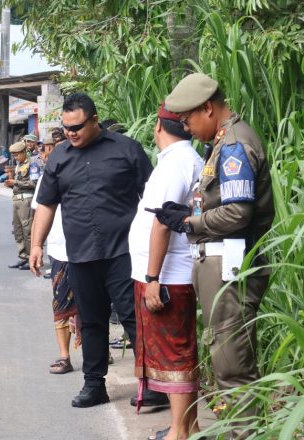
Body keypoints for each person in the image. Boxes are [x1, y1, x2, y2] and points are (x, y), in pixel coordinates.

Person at [160, 73, 274, 434]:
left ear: (208, 108)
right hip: (219, 262)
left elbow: (238, 213)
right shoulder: (223, 143)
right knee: (225, 358)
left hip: (231, 264)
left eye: (189, 119)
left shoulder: (235, 145)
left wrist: (189, 223)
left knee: (232, 366)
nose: (187, 127)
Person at [29, 92, 155, 408]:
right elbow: (46, 204)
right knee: (91, 320)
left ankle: (153, 384)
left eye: (77, 127)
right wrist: (36, 245)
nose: (71, 134)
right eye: (66, 128)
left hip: (123, 253)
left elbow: (154, 200)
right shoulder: (58, 158)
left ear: (95, 120)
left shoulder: (127, 151)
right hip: (80, 255)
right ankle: (94, 385)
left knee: (133, 317)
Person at [128, 104, 204, 440]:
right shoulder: (182, 160)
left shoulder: (176, 163)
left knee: (175, 354)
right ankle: (189, 426)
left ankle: (178, 432)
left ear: (158, 126)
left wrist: (153, 278)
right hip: (171, 270)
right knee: (179, 351)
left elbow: (163, 220)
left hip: (169, 274)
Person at [30, 136, 79, 374]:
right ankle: (64, 356)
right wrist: (35, 246)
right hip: (60, 250)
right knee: (60, 303)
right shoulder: (46, 179)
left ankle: (99, 352)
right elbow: (39, 213)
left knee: (95, 304)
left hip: (89, 251)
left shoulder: (85, 172)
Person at [6, 141, 37, 270]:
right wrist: (11, 184)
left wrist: (16, 182)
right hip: (17, 200)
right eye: (13, 155)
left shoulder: (33, 164)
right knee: (18, 229)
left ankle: (31, 257)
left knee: (27, 229)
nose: (15, 157)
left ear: (24, 152)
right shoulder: (19, 165)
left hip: (26, 200)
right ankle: (23, 256)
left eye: (17, 155)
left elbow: (35, 183)